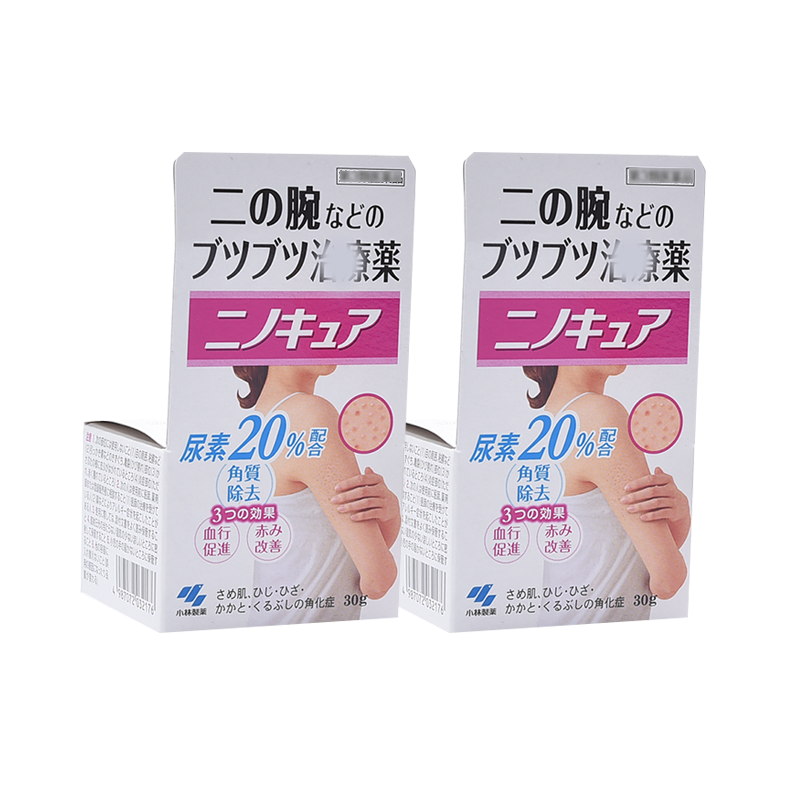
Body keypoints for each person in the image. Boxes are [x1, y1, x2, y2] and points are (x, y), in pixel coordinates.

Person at [523, 365, 690, 625]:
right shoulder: (599, 415)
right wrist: (683, 516)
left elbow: (629, 562)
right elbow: (667, 580)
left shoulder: (552, 418)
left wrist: (677, 516)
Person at [234, 364, 400, 625]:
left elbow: (340, 561)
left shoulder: (263, 417)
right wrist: (393, 517)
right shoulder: (310, 415)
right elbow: (377, 580)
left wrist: (387, 515)